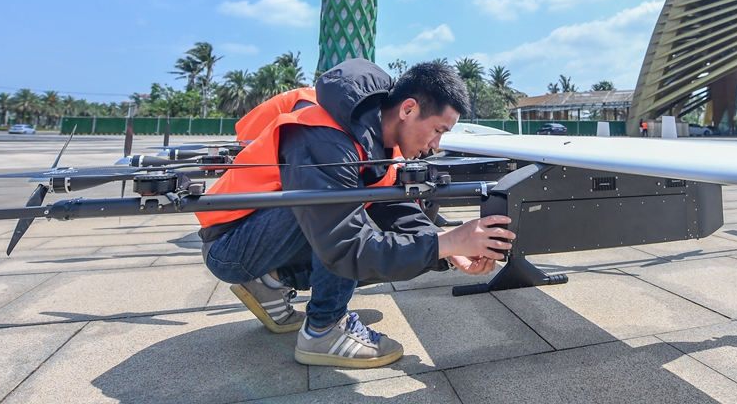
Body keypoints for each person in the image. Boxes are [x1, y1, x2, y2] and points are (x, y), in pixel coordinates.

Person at [199, 60, 513, 368]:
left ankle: (270, 281)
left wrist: (446, 248)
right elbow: (345, 246)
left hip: (260, 236)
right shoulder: (324, 138)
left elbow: (397, 210)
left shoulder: (380, 139)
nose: (435, 146)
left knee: (389, 236)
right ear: (407, 109)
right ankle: (324, 330)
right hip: (230, 246)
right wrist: (448, 243)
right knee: (352, 222)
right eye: (437, 130)